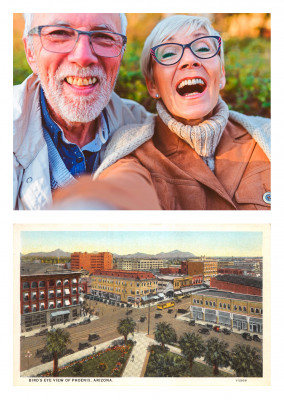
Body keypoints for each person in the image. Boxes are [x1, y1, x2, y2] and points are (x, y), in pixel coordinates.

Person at [54, 14, 270, 210]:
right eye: (169, 53)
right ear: (153, 85)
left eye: (203, 49)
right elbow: (122, 188)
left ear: (221, 74)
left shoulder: (268, 135)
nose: (189, 60)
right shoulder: (133, 150)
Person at [13, 13, 155, 210]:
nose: (83, 57)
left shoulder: (143, 127)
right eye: (59, 33)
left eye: (103, 36)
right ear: (30, 51)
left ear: (121, 52)